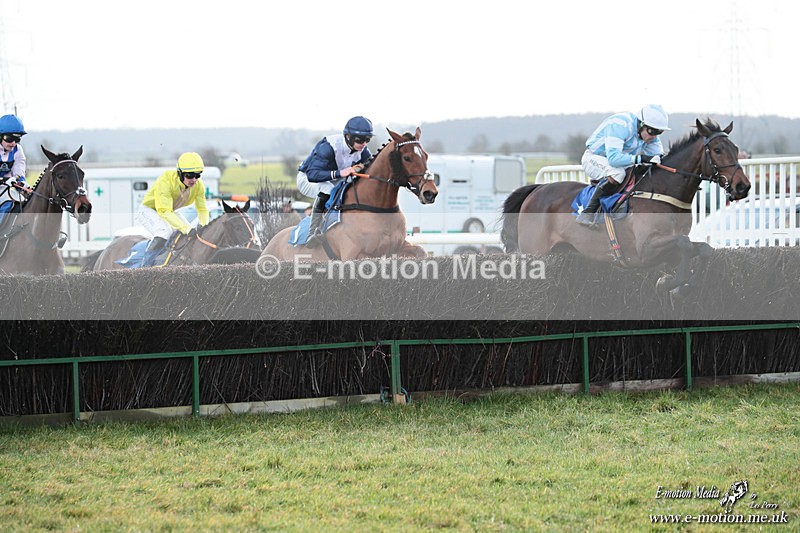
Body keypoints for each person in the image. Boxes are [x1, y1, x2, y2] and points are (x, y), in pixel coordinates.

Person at [577, 104, 670, 226]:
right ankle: (587, 213)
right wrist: (642, 158)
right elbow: (614, 159)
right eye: (652, 131)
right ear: (641, 124)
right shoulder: (620, 125)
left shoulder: (650, 136)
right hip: (594, 158)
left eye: (659, 132)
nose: (654, 136)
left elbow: (659, 158)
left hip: (618, 163)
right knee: (618, 174)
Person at [296, 116, 374, 247]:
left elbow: (371, 167)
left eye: (367, 139)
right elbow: (312, 174)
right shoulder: (328, 147)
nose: (364, 144)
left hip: (334, 181)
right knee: (327, 188)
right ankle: (312, 233)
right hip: (308, 179)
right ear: (348, 136)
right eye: (360, 140)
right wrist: (339, 173)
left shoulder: (363, 151)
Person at [136, 152, 209, 266]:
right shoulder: (166, 180)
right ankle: (145, 267)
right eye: (189, 175)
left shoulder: (199, 186)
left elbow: (202, 209)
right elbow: (164, 211)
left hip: (169, 211)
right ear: (179, 173)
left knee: (189, 233)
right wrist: (186, 229)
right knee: (164, 232)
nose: (194, 180)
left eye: (197, 175)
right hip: (149, 210)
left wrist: (204, 226)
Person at [0, 114, 28, 220]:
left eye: (17, 139)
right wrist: (5, 180)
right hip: (3, 186)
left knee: (22, 201)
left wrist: (21, 181)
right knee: (7, 202)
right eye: (9, 138)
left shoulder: (18, 150)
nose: (13, 143)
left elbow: (19, 169)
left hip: (4, 188)